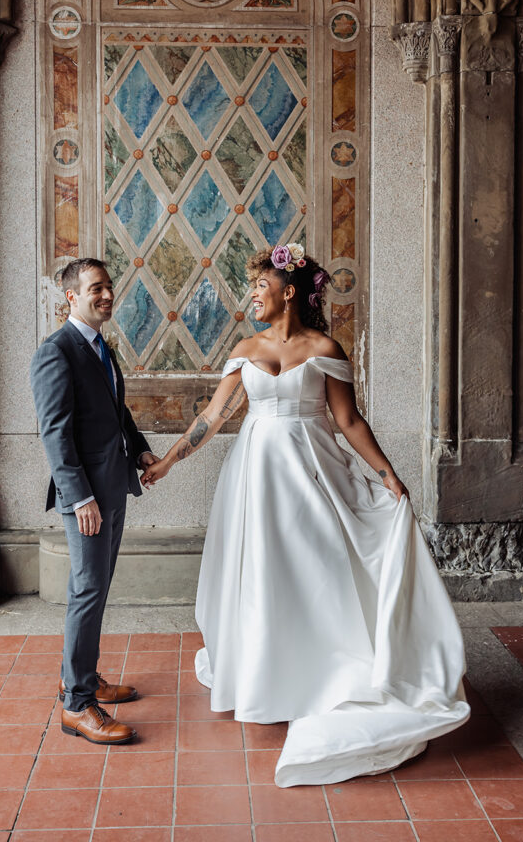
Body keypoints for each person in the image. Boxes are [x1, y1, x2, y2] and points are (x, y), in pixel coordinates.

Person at [142, 242, 469, 786]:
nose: (251, 295)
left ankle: (325, 673)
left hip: (313, 472)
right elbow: (213, 416)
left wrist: (387, 474)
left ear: (287, 291)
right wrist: (169, 462)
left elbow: (349, 421)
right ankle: (265, 674)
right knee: (262, 572)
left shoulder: (324, 347)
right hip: (254, 477)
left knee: (317, 570)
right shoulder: (246, 348)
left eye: (258, 286)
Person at [30, 258, 158, 745]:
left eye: (109, 286)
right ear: (71, 297)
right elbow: (54, 434)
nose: (106, 295)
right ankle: (77, 706)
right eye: (95, 289)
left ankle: (80, 674)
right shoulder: (56, 352)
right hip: (85, 497)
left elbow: (115, 408)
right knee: (87, 591)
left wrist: (140, 446)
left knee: (98, 587)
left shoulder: (99, 346)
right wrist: (80, 497)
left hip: (112, 487)